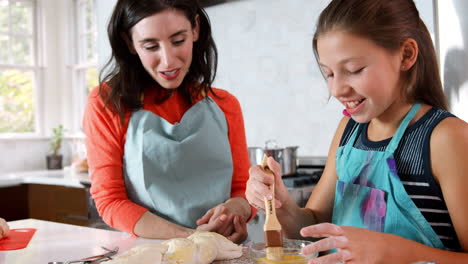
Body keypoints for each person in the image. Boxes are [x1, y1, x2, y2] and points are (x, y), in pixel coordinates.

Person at [246, 0, 468, 263]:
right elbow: (314, 227)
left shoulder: (445, 138)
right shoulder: (349, 131)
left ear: (406, 55)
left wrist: (393, 251)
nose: (337, 89)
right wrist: (281, 206)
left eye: (354, 70)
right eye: (328, 74)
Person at [83, 0, 254, 243]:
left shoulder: (226, 105)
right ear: (130, 43)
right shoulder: (108, 103)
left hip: (224, 249)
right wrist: (193, 238)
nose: (168, 61)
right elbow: (110, 201)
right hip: (152, 250)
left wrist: (236, 211)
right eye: (151, 46)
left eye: (178, 41)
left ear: (195, 28)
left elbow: (243, 190)